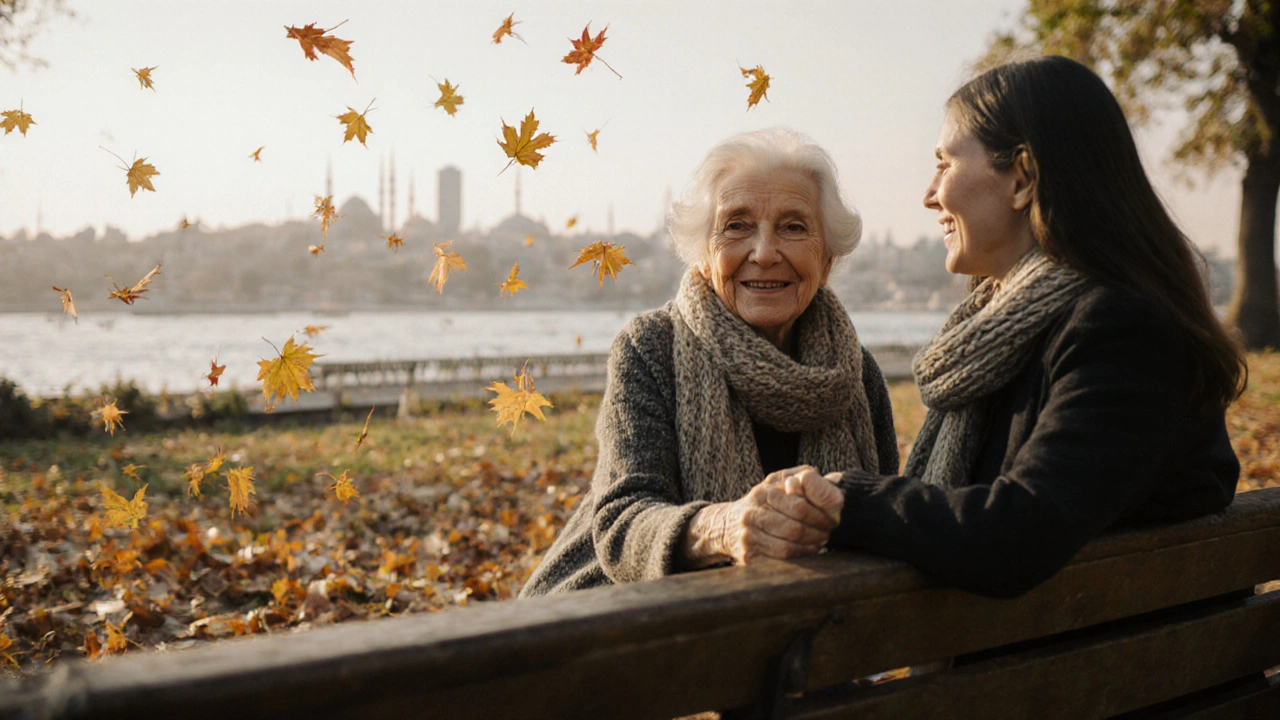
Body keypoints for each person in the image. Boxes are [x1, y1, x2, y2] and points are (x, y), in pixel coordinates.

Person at [782, 55, 1246, 598]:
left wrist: (846, 497)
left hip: (1094, 675)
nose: (929, 195)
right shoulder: (1010, 332)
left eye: (944, 164)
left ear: (1023, 178)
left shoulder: (1121, 332)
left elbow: (1022, 530)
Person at [520, 128, 900, 597]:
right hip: (614, 624)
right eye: (736, 226)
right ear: (703, 255)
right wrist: (724, 527)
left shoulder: (858, 374)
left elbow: (880, 523)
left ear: (826, 260)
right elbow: (623, 523)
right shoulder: (649, 346)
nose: (763, 253)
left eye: (793, 227)